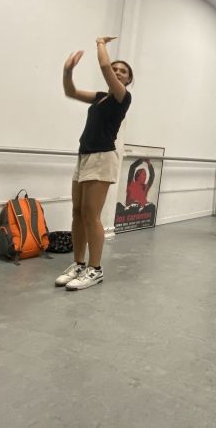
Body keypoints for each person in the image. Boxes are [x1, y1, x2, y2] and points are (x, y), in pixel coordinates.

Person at [56, 36, 133, 291]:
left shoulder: (122, 96)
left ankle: (95, 269)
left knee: (91, 215)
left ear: (127, 80)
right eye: (116, 68)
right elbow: (71, 91)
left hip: (103, 157)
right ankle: (78, 263)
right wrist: (68, 71)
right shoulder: (101, 97)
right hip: (84, 155)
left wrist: (100, 43)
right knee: (77, 213)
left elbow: (103, 67)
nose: (117, 72)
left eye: (123, 71)